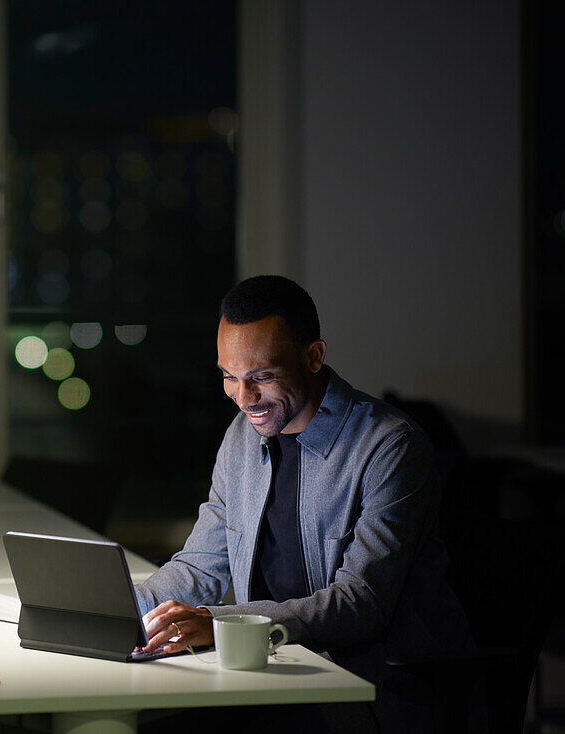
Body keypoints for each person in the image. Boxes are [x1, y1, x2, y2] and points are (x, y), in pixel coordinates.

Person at [134, 275, 472, 732]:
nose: (244, 399)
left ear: (313, 357)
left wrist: (215, 622)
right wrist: (117, 608)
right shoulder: (241, 438)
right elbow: (199, 566)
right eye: (229, 378)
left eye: (262, 377)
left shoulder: (391, 447)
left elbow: (359, 603)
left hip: (368, 691)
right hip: (271, 670)